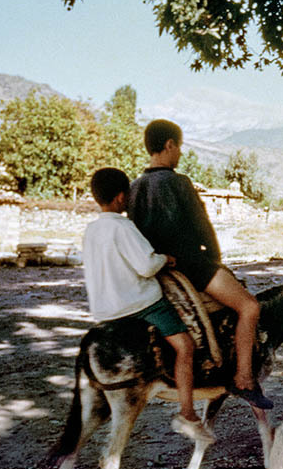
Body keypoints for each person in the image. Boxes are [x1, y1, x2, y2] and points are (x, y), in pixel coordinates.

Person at [129, 119, 272, 409]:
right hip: (191, 266)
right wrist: (216, 261)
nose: (179, 154)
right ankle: (244, 379)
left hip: (154, 268)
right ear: (169, 145)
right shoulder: (179, 182)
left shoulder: (135, 188)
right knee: (250, 307)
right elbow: (203, 227)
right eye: (179, 147)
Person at [82, 167, 204, 436]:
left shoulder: (92, 230)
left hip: (106, 308)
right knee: (185, 345)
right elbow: (146, 266)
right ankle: (187, 411)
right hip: (139, 304)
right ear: (120, 198)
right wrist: (165, 259)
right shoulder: (124, 226)